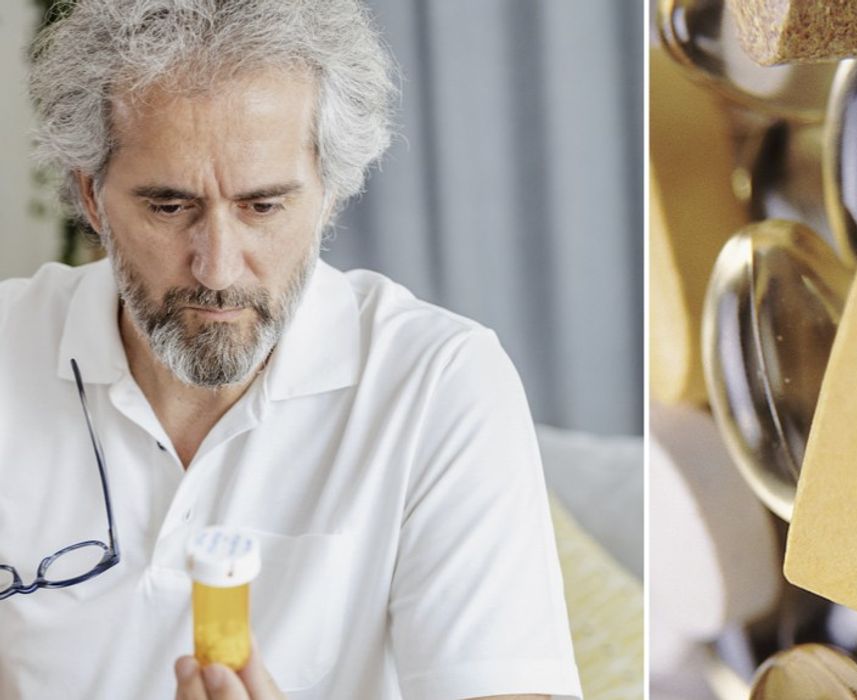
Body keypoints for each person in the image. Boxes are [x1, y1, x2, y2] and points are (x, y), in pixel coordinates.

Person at [0, 1, 581, 698]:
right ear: (92, 198)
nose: (216, 267)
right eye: (168, 206)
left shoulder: (436, 382)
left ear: (330, 194)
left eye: (263, 206)